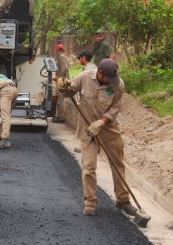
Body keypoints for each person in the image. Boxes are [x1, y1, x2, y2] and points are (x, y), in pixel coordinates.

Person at [58, 58, 138, 217]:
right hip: (88, 130)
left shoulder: (118, 84)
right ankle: (90, 203)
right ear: (100, 73)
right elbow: (69, 93)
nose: (112, 82)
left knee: (117, 164)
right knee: (88, 167)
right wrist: (62, 87)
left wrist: (101, 122)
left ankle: (123, 200)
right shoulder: (84, 77)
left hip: (108, 128)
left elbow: (115, 109)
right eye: (109, 79)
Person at [52, 43, 70, 123]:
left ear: (57, 50)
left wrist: (58, 77)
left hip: (62, 81)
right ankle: (60, 115)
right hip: (63, 79)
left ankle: (61, 117)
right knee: (61, 98)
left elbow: (65, 68)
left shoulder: (61, 57)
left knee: (60, 99)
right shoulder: (63, 56)